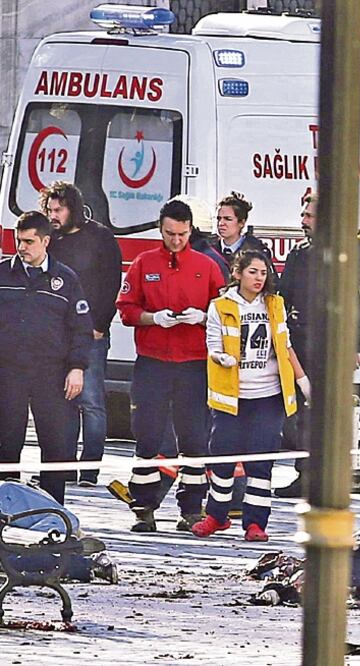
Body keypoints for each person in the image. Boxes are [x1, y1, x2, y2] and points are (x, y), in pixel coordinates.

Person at [116, 199, 226, 533]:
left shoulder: (206, 265)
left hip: (193, 363)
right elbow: (126, 309)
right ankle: (144, 507)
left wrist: (204, 317)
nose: (175, 240)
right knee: (147, 434)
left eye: (181, 233)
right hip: (153, 361)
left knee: (193, 436)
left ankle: (191, 508)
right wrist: (154, 318)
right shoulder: (143, 262)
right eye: (169, 233)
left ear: (190, 230)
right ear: (160, 230)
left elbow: (224, 311)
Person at [192, 250, 310, 541]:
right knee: (222, 457)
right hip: (231, 396)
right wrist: (221, 358)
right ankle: (216, 516)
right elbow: (212, 345)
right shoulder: (220, 306)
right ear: (237, 273)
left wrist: (304, 382)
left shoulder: (275, 304)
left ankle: (256, 524)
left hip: (268, 395)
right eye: (253, 272)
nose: (259, 278)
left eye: (263, 272)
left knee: (261, 460)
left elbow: (285, 347)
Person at [0, 212, 92, 503]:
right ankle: (5, 509)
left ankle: (54, 511)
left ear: (45, 241)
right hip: (8, 372)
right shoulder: (3, 274)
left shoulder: (65, 279)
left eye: (29, 241)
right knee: (5, 444)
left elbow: (81, 329)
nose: (22, 247)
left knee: (55, 445)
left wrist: (77, 368)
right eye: (19, 241)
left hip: (51, 373)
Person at [41, 181, 122, 487]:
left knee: (91, 402)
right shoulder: (54, 241)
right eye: (50, 210)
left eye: (58, 210)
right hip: (57, 336)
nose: (53, 215)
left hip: (92, 333)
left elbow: (111, 283)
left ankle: (89, 469)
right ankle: (62, 467)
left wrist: (101, 325)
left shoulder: (100, 237)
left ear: (72, 208)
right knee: (63, 402)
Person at [273, 195, 316, 498]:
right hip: (301, 338)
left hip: (331, 342)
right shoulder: (299, 253)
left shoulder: (350, 251)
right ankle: (304, 475)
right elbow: (283, 296)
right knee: (299, 411)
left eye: (310, 216)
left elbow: (357, 299)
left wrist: (354, 341)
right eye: (303, 215)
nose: (303, 222)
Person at [211, 191, 273, 269]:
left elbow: (271, 280)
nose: (221, 223)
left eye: (228, 219)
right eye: (219, 219)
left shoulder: (258, 251)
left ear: (242, 223)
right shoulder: (208, 249)